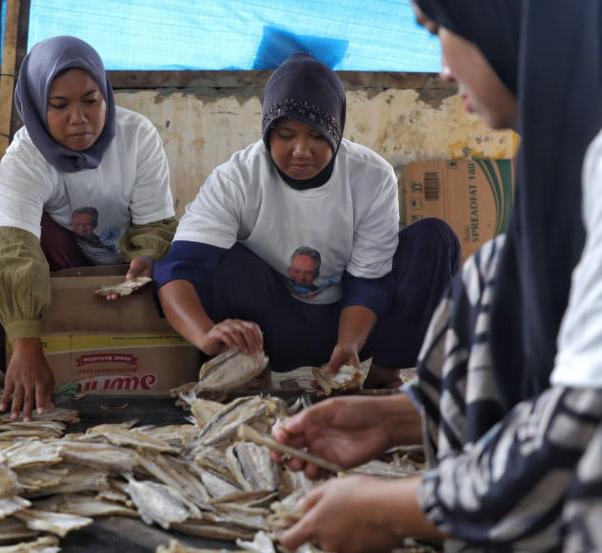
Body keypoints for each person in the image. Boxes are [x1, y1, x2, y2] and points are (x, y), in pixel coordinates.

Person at [271, 1, 602, 551]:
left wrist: (396, 508)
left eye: (440, 30)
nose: (445, 69)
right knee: (494, 274)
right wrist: (398, 420)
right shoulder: (567, 153)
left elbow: (585, 428)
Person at [153, 53, 460, 387]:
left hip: (354, 323)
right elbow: (178, 268)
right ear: (267, 131)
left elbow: (368, 280)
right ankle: (252, 373)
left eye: (316, 135)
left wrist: (349, 343)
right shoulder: (237, 178)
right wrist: (205, 333)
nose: (301, 150)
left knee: (435, 239)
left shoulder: (371, 176)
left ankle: (383, 377)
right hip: (273, 332)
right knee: (225, 260)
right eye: (285, 135)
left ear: (337, 130)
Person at [0, 36, 177, 420]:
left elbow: (156, 223)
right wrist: (25, 344)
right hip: (62, 262)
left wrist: (146, 255)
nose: (79, 117)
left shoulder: (137, 136)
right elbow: (15, 249)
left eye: (91, 100)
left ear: (106, 95)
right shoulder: (24, 157)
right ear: (39, 105)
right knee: (20, 239)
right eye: (60, 105)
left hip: (126, 264)